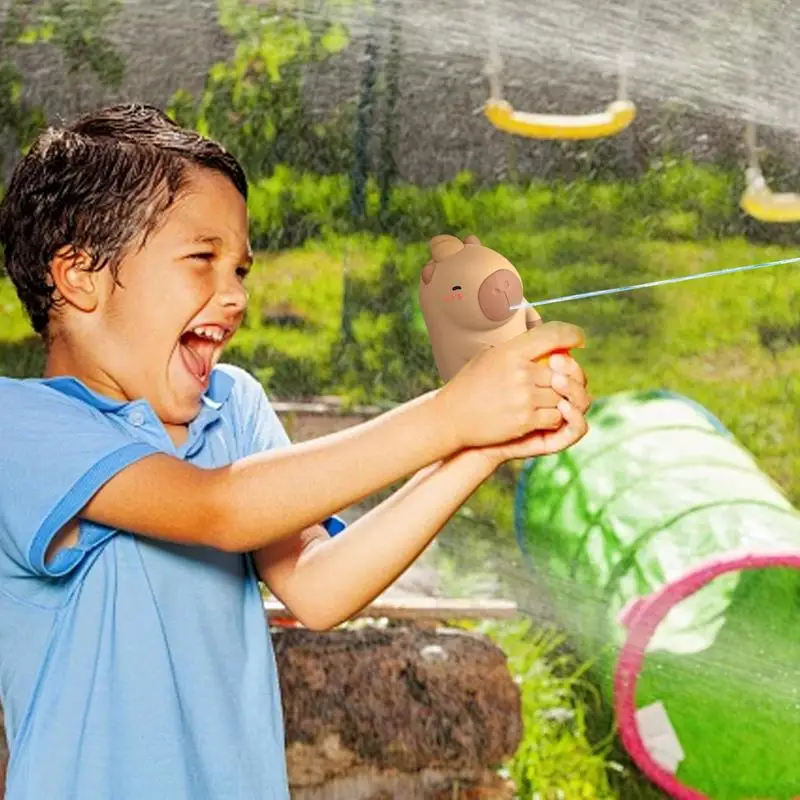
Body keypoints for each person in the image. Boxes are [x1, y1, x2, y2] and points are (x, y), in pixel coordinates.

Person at [0, 103, 591, 799]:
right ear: (80, 277)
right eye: (202, 260)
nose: (234, 295)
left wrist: (481, 447)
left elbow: (318, 587)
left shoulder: (234, 408)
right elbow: (219, 510)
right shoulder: (19, 427)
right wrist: (450, 414)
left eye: (241, 270)